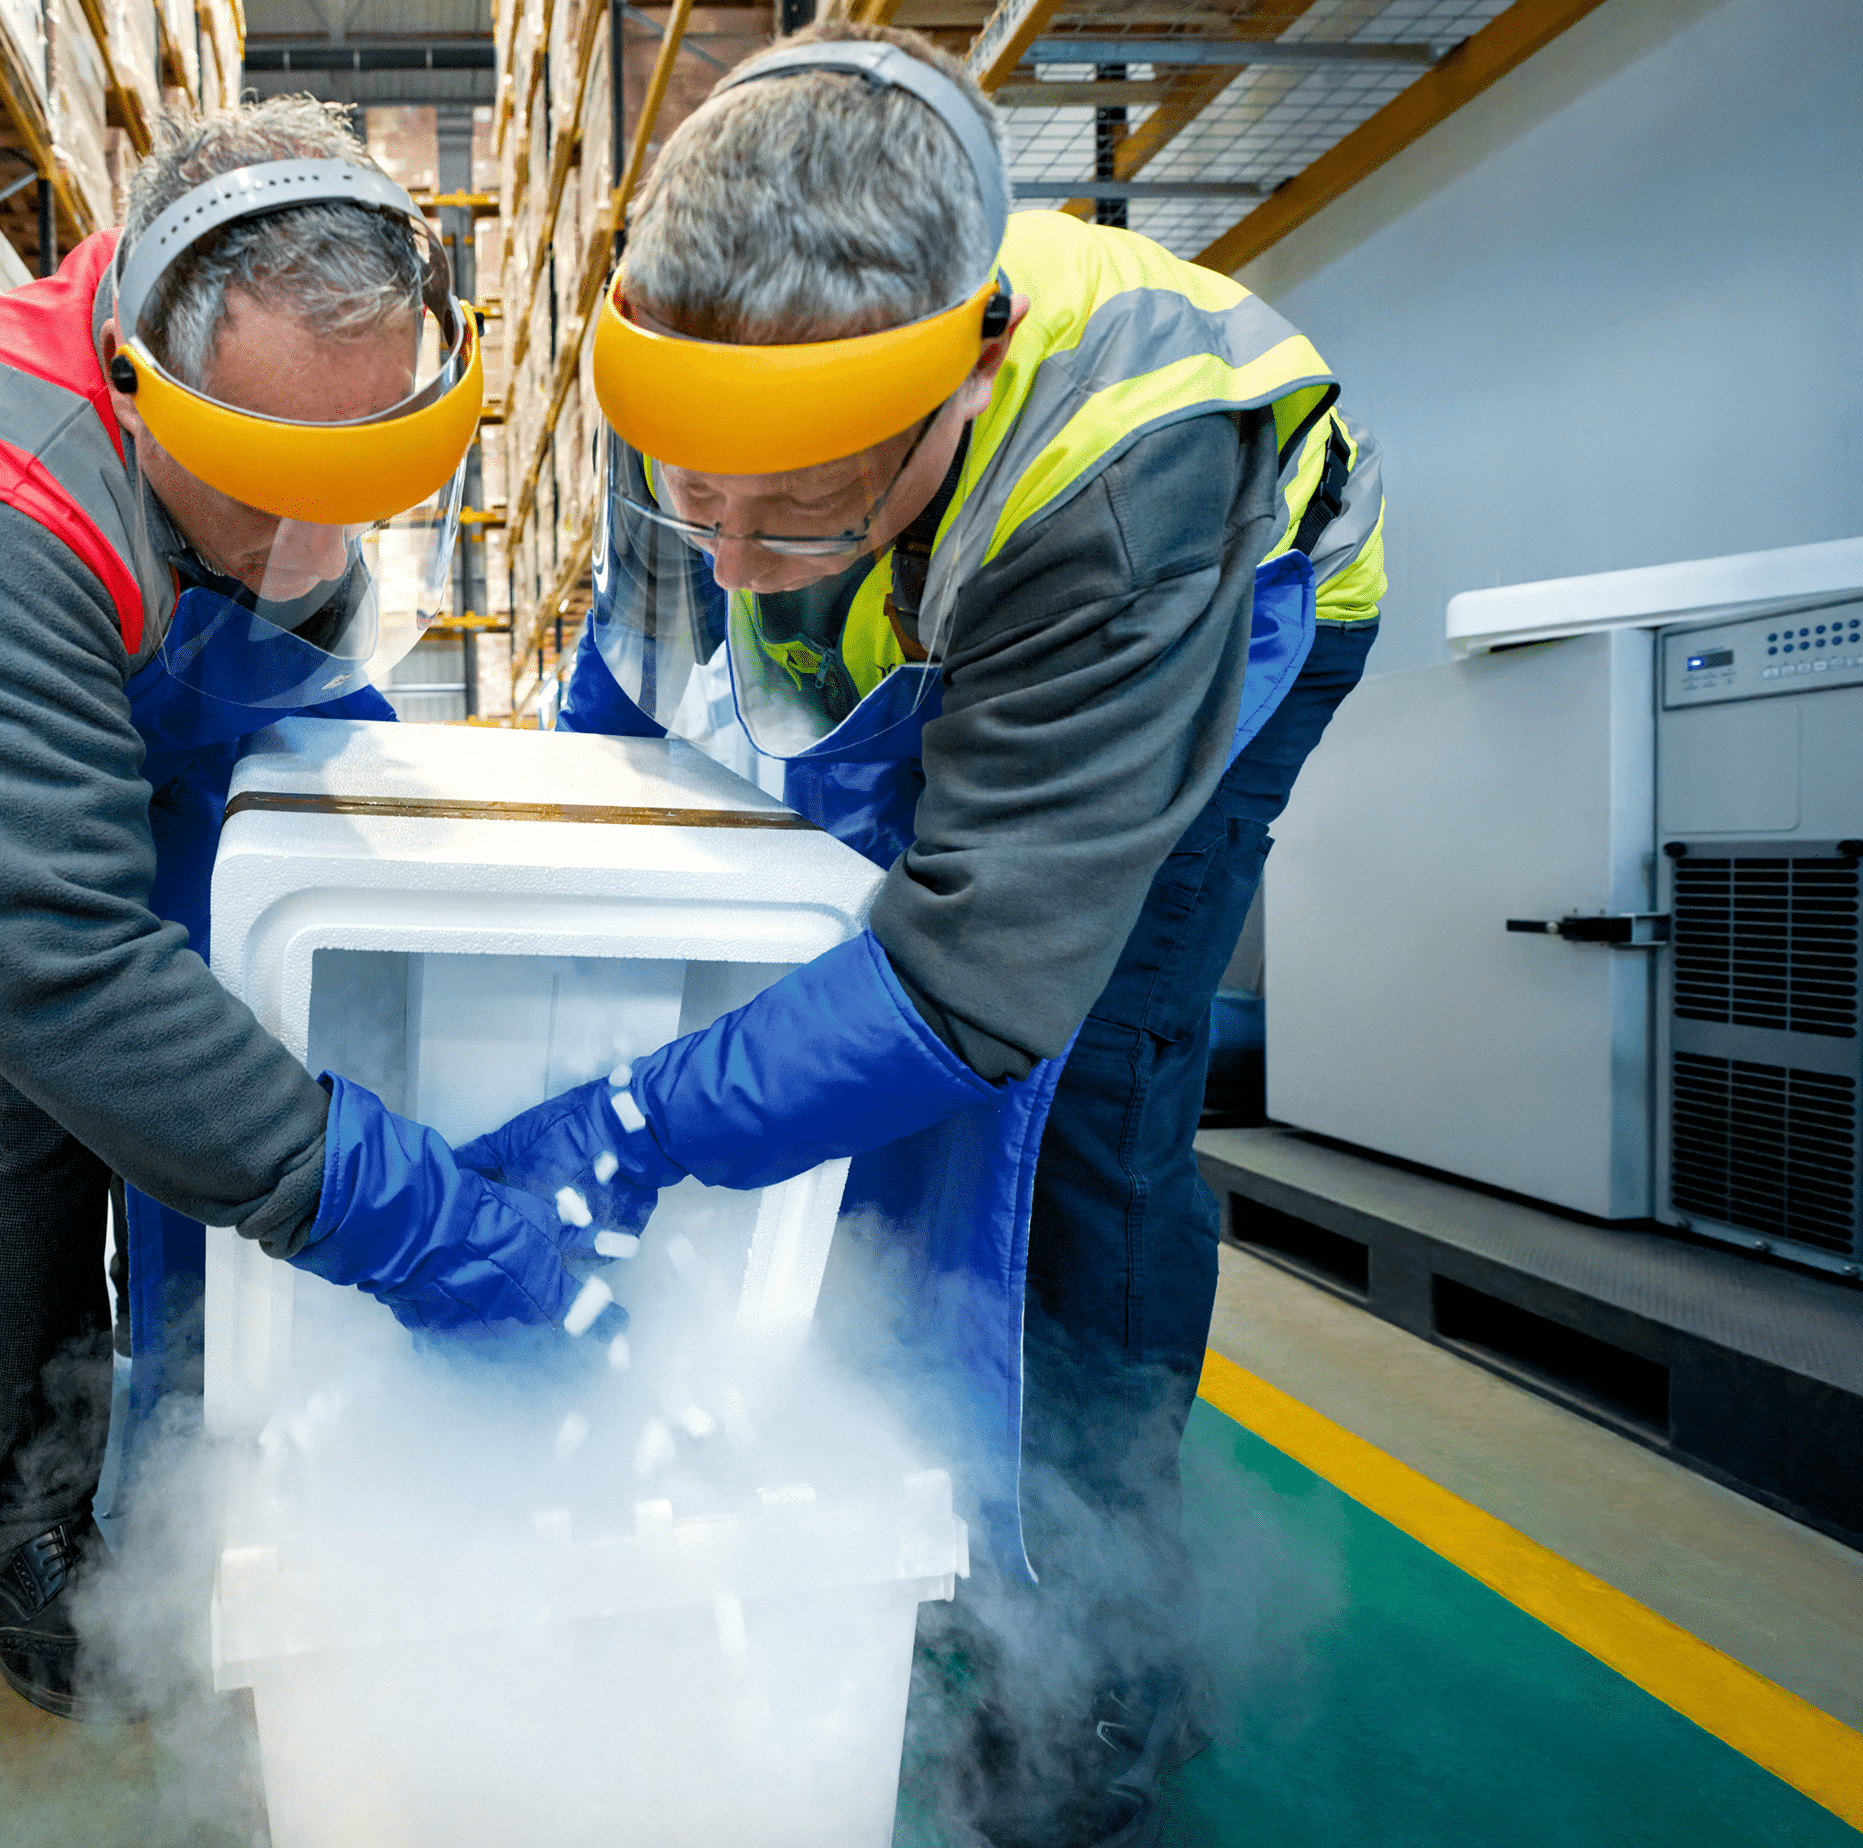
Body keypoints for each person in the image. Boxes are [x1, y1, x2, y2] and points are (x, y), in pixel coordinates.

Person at [450, 25, 1385, 1848]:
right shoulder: (700, 382)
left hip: (1241, 622)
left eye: (795, 511)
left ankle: (1106, 1672)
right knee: (839, 1064)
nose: (721, 558)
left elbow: (976, 983)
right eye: (692, 499)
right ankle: (903, 1514)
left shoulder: (1128, 489)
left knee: (1086, 1115)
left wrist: (633, 1129)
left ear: (972, 372)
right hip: (960, 608)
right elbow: (630, 722)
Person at [0, 101, 591, 1721]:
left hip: (135, 658)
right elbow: (62, 967)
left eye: (357, 479)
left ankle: (211, 1428)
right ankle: (30, 1513)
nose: (311, 544)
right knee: (46, 1075)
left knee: (229, 1017)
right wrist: (404, 1218)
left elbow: (292, 704)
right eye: (260, 483)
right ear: (138, 375)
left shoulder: (281, 461)